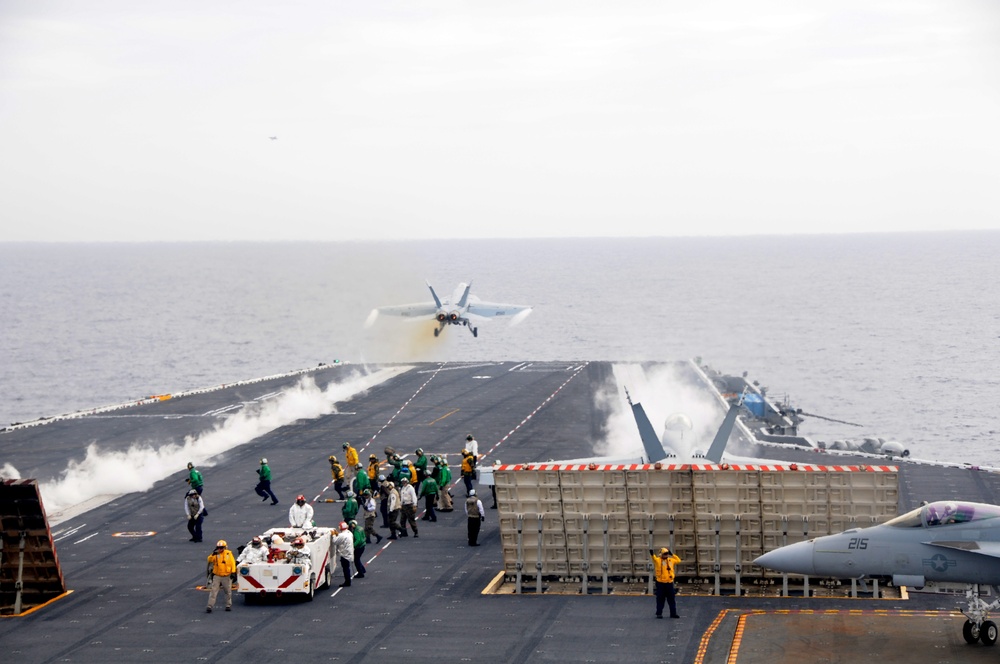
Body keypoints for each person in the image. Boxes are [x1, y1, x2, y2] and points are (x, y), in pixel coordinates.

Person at [206, 539, 237, 612]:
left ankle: (228, 605)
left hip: (227, 576)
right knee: (213, 591)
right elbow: (209, 560)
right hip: (217, 576)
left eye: (221, 548)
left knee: (228, 591)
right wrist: (212, 554)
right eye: (218, 548)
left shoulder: (229, 554)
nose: (220, 549)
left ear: (225, 547)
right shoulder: (216, 555)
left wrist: (233, 572)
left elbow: (232, 563)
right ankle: (209, 606)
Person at [650, 547, 682, 619]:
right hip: (660, 583)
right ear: (661, 554)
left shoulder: (671, 560)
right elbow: (654, 558)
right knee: (660, 598)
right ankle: (659, 613)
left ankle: (673, 613)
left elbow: (678, 560)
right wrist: (652, 554)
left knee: (671, 599)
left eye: (667, 554)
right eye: (665, 554)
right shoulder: (658, 561)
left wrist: (672, 554)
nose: (666, 555)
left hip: (669, 583)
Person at [333, 521, 354, 587]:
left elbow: (335, 541)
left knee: (345, 568)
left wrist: (333, 535)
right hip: (349, 552)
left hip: (345, 554)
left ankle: (347, 582)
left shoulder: (342, 535)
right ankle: (348, 581)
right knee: (347, 567)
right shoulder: (349, 533)